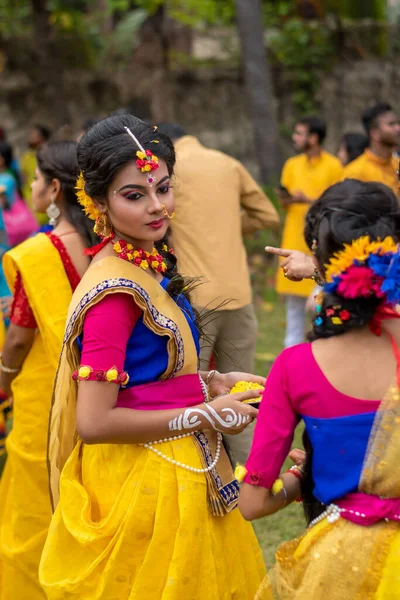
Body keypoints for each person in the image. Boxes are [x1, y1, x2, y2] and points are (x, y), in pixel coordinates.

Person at [38, 114, 266, 599]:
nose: (158, 206)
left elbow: (145, 382)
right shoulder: (115, 292)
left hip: (176, 466)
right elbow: (94, 422)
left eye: (163, 188)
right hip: (147, 484)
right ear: (97, 202)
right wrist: (202, 414)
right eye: (135, 195)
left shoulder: (144, 260)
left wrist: (212, 384)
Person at [239, 179, 400, 599]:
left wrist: (304, 473)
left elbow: (253, 504)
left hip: (344, 563)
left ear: (321, 264)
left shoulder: (295, 367)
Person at [0, 140, 97, 599]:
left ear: (54, 189)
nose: (33, 186)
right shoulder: (108, 243)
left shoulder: (39, 252)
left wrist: (2, 377)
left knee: (36, 508)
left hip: (45, 401)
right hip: (104, 393)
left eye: (37, 179)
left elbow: (18, 338)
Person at [157, 123, 279, 463]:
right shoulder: (228, 162)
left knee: (190, 394)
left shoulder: (162, 171)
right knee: (245, 394)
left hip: (194, 302)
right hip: (239, 294)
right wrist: (226, 225)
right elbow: (267, 214)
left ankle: (201, 470)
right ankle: (250, 476)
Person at [276, 116, 343, 348]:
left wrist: (309, 200)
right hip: (294, 241)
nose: (295, 138)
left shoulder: (334, 166)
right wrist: (288, 198)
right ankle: (291, 363)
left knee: (321, 309)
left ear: (313, 138)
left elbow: (338, 205)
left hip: (321, 247)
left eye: (300, 133)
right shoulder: (291, 164)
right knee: (294, 313)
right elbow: (285, 204)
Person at [344, 103, 400, 195]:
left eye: (398, 123)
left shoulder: (397, 165)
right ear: (375, 133)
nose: (398, 128)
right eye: (391, 124)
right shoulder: (355, 173)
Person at [20, 124, 51, 225]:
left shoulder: (49, 153)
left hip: (48, 192)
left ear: (42, 137)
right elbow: (24, 179)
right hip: (31, 195)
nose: (31, 136)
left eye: (34, 134)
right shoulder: (27, 157)